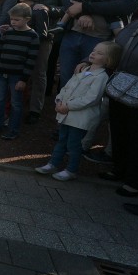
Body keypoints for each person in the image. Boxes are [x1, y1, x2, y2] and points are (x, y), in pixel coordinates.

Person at [35, 41, 120, 181]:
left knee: (73, 145)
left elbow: (91, 99)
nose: (93, 53)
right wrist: (59, 100)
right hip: (66, 114)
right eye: (94, 50)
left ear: (108, 59)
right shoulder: (83, 70)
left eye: (100, 53)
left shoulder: (101, 77)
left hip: (79, 118)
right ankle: (53, 164)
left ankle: (71, 169)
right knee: (62, 140)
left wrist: (68, 106)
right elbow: (66, 87)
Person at [97, 0, 138, 198]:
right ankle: (120, 169)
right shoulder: (136, 25)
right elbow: (115, 45)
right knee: (120, 130)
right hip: (121, 87)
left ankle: (135, 182)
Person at [0, 3, 40, 140]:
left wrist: (23, 79)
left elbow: (31, 59)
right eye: (12, 19)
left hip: (17, 75)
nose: (13, 22)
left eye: (17, 20)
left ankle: (13, 129)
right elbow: (0, 53)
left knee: (16, 103)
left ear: (27, 19)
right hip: (1, 73)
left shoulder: (32, 36)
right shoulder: (8, 32)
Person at [27, 0, 69, 104]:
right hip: (29, 31)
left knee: (42, 71)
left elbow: (67, 9)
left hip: (48, 33)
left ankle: (38, 105)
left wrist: (48, 8)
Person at [16, 0, 52, 122]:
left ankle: (35, 110)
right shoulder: (17, 6)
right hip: (21, 46)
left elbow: (42, 34)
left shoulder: (38, 9)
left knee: (38, 75)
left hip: (39, 46)